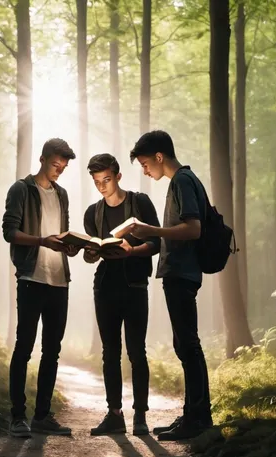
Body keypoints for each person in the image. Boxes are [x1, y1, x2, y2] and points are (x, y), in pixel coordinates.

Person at [123, 130, 213, 441]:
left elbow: (193, 229)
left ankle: (199, 419)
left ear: (159, 157)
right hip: (179, 272)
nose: (145, 170)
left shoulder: (183, 181)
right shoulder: (183, 182)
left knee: (188, 345)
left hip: (183, 272)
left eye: (146, 163)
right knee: (184, 344)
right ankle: (192, 414)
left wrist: (150, 229)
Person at [2, 138, 79, 438]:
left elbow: (64, 236)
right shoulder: (21, 189)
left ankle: (42, 416)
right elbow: (10, 232)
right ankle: (17, 416)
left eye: (63, 167)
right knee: (24, 347)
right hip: (32, 278)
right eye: (56, 165)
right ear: (43, 159)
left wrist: (74, 246)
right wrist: (42, 241)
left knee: (52, 351)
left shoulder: (62, 194)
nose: (59, 171)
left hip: (60, 281)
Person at [83, 153, 161, 436]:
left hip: (135, 285)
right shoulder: (93, 213)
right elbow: (93, 255)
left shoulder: (139, 202)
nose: (102, 186)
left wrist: (132, 250)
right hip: (105, 287)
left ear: (117, 176)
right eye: (96, 182)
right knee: (109, 353)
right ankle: (114, 414)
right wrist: (89, 253)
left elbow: (155, 243)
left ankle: (140, 416)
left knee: (137, 351)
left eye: (106, 179)